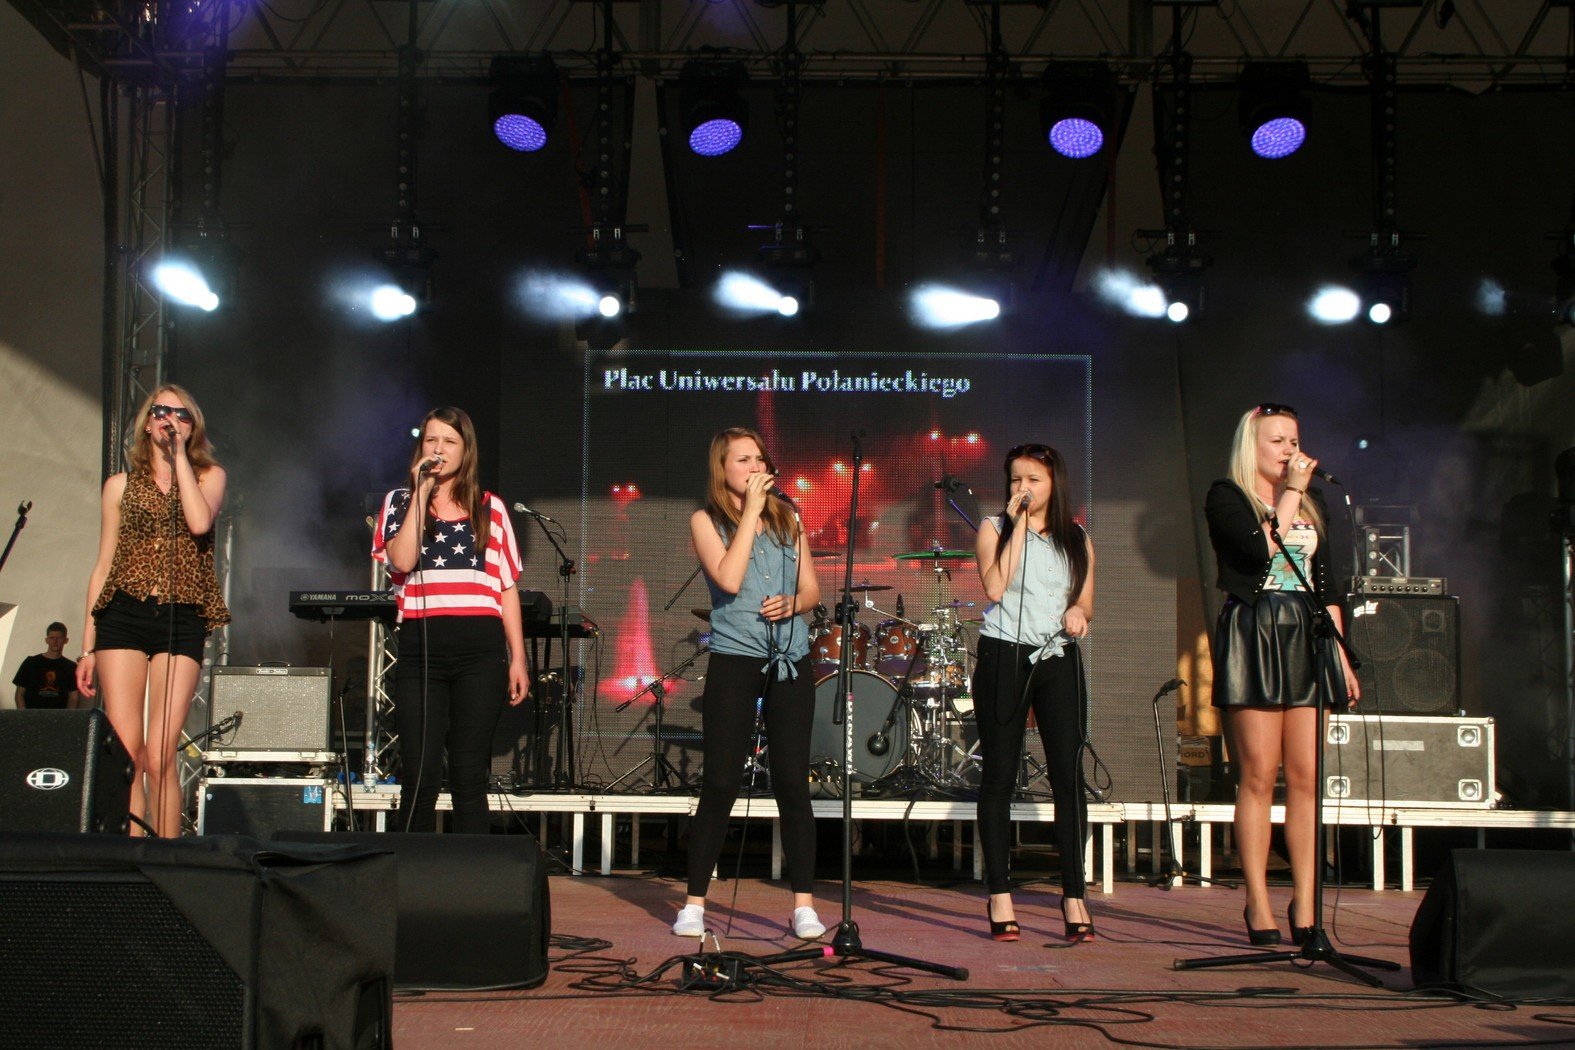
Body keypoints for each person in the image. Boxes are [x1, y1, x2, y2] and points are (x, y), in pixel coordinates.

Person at [1205, 403, 1359, 947]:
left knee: (1307, 778)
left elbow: (1327, 583)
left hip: (1307, 631)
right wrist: (1291, 492)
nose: (1291, 451)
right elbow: (1258, 548)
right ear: (1252, 446)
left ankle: (1307, 904)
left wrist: (1341, 654)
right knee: (1257, 775)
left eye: (1294, 441)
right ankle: (1257, 902)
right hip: (1256, 629)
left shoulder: (1312, 502)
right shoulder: (1227, 496)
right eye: (1278, 441)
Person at [672, 427, 825, 940]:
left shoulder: (789, 518)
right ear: (723, 469)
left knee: (792, 781)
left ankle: (803, 904)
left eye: (759, 458)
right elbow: (729, 578)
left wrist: (795, 603)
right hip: (736, 657)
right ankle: (694, 903)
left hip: (789, 658)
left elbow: (811, 589)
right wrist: (752, 513)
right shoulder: (705, 520)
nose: (755, 467)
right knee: (720, 781)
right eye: (743, 459)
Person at [76, 385, 230, 837]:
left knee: (161, 754)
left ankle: (167, 858)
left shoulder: (209, 477)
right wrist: (86, 647)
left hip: (182, 615)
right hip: (123, 612)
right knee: (128, 754)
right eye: (161, 411)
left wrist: (179, 457)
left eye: (182, 415)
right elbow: (104, 564)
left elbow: (198, 522)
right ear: (147, 423)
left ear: (193, 426)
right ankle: (129, 853)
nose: (170, 420)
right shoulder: (119, 486)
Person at [374, 407, 530, 834]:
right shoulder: (399, 501)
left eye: (449, 441)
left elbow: (506, 587)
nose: (439, 449)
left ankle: (471, 871)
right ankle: (411, 869)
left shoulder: (490, 507)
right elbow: (402, 560)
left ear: (466, 450)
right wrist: (421, 492)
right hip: (422, 647)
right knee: (419, 774)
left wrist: (518, 657)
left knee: (468, 774)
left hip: (480, 650)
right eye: (431, 440)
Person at [972, 443, 1096, 943]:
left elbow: (1085, 598)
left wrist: (1079, 611)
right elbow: (994, 588)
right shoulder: (993, 528)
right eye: (1015, 479)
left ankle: (1074, 896)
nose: (1022, 488)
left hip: (1057, 656)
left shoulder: (1077, 537)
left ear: (1053, 484)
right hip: (1004, 653)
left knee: (1068, 775)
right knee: (1000, 775)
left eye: (1033, 480)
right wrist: (1018, 524)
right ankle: (1000, 895)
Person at [12, 622, 81, 709]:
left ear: (65, 640)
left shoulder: (71, 667)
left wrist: (67, 717)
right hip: (32, 714)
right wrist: (24, 715)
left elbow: (74, 697)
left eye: (59, 638)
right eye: (52, 638)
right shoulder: (31, 663)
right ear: (46, 640)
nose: (55, 641)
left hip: (58, 715)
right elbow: (19, 694)